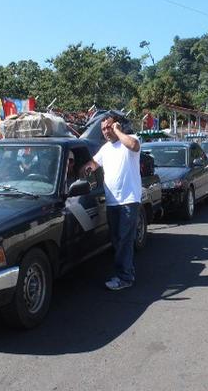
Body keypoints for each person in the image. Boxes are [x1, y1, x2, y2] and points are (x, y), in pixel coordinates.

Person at [83, 114, 141, 291]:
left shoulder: (130, 140)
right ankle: (126, 271)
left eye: (108, 127)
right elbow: (93, 164)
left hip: (129, 201)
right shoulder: (105, 149)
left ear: (116, 125)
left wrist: (118, 131)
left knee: (124, 239)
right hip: (112, 202)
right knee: (117, 239)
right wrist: (81, 169)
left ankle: (125, 277)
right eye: (103, 129)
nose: (106, 131)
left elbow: (134, 146)